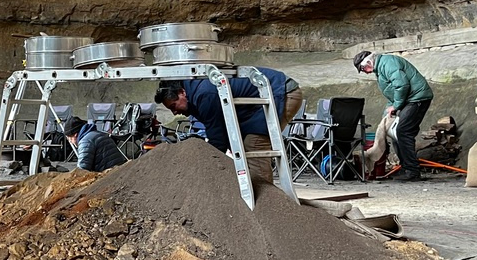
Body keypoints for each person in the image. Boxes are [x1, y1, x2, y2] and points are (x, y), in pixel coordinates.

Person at [156, 67, 302, 185]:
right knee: (242, 145)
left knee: (254, 144)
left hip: (282, 92)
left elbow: (218, 140)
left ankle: (265, 200)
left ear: (182, 93)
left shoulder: (204, 95)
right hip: (263, 99)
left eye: (173, 106)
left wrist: (204, 167)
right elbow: (224, 133)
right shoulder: (195, 94)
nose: (175, 113)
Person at [354, 50, 434, 181]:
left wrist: (396, 106)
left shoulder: (387, 63)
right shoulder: (381, 67)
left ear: (368, 62)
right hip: (410, 100)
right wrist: (387, 113)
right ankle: (406, 168)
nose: (365, 72)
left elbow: (402, 85)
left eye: (363, 69)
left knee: (403, 131)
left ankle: (412, 171)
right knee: (395, 132)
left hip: (417, 98)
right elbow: (392, 93)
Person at [61, 115, 127, 172]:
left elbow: (82, 171)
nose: (70, 141)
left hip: (109, 175)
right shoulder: (98, 134)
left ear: (75, 135)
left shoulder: (85, 142)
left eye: (69, 138)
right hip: (120, 170)